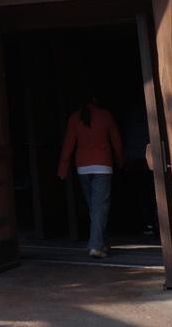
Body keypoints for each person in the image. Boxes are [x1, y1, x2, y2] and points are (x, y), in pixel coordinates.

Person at [58, 95, 123, 258]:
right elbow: (116, 141)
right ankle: (95, 245)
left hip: (83, 167)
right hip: (102, 166)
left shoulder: (75, 118)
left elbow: (68, 145)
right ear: (95, 99)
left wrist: (62, 168)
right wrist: (120, 160)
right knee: (99, 208)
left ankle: (103, 243)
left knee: (95, 208)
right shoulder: (105, 115)